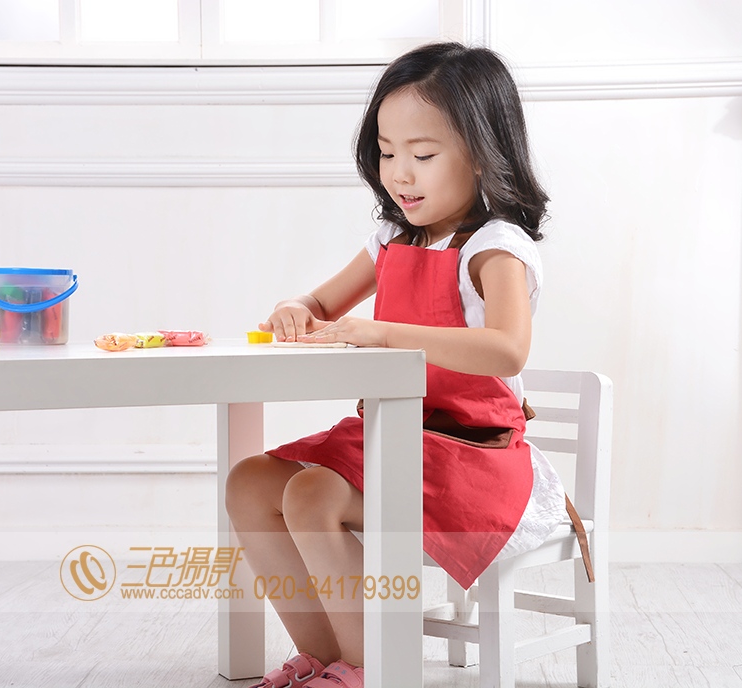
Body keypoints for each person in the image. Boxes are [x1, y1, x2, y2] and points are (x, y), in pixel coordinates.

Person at [225, 41, 566, 688]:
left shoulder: (495, 247)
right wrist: (294, 310)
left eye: (423, 155)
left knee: (312, 493)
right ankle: (325, 658)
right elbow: (319, 304)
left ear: (482, 152)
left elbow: (507, 348)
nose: (400, 174)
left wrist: (382, 334)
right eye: (386, 153)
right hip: (391, 438)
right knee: (249, 482)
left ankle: (372, 668)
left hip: (470, 453)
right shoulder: (391, 239)